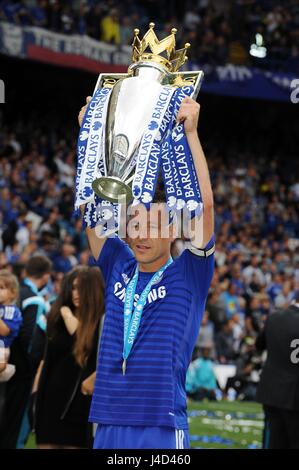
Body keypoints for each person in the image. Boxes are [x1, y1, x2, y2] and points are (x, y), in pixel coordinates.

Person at [78, 95, 215, 449]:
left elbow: (205, 207)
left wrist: (191, 135)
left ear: (174, 229)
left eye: (152, 227)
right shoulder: (118, 264)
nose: (139, 236)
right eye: (133, 226)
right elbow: (92, 210)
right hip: (108, 419)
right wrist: (92, 138)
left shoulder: (189, 273)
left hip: (160, 424)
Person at [34, 266, 104, 449]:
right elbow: (47, 358)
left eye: (81, 288)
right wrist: (35, 393)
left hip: (81, 404)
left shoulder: (101, 321)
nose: (76, 293)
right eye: (73, 288)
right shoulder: (58, 318)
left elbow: (82, 339)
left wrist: (66, 314)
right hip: (50, 401)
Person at [0, 255, 52, 449]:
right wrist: (30, 368)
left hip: (7, 363)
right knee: (13, 419)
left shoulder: (22, 297)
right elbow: (31, 341)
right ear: (46, 276)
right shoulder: (35, 300)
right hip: (19, 370)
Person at [256, 291, 299, 449]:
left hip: (272, 392)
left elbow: (259, 345)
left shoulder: (274, 317)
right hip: (295, 395)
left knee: (272, 441)